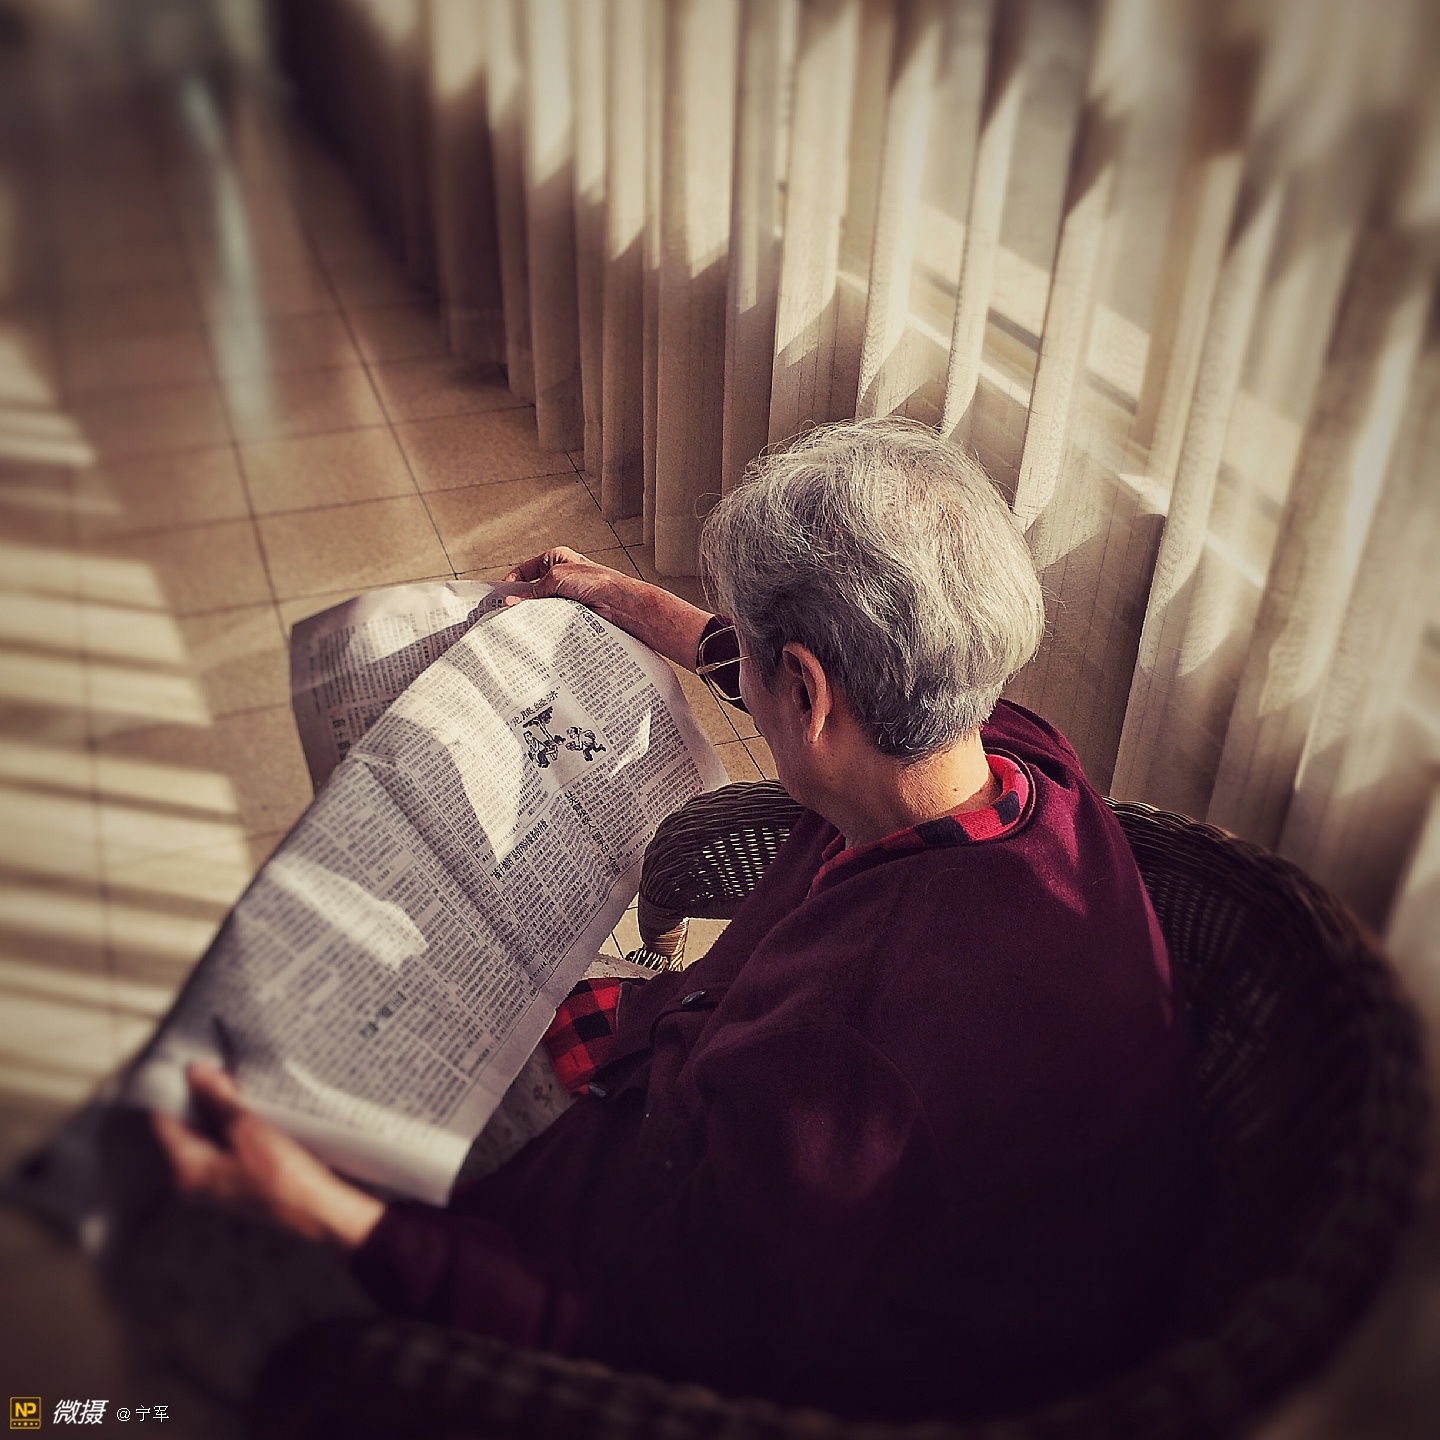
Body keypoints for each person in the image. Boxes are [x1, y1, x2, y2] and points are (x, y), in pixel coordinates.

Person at [153, 418, 1197, 1422]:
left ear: (807, 690)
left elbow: (640, 1344)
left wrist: (326, 1214)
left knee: (232, 1247)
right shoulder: (995, 743)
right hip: (719, 1118)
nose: (743, 679)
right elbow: (772, 668)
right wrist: (612, 594)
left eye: (764, 668)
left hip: (738, 1307)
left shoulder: (852, 1053)